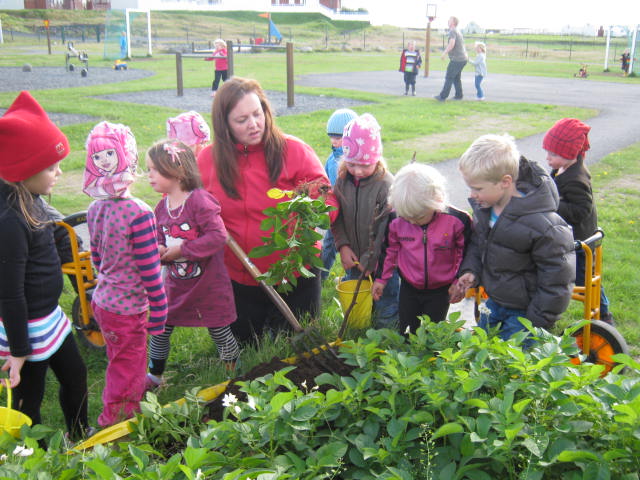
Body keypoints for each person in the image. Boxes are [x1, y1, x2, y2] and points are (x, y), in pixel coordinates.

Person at [196, 77, 337, 344]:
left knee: (298, 351)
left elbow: (327, 200)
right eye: (242, 120)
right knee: (246, 351)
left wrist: (313, 209)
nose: (254, 124)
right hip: (239, 276)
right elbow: (192, 209)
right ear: (224, 124)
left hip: (294, 273)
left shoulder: (293, 151)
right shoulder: (208, 160)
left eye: (257, 114)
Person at [0, 91, 91, 441]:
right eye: (51, 167)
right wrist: (18, 352)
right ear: (23, 170)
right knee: (28, 399)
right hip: (25, 327)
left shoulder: (31, 199)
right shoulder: (9, 223)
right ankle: (31, 457)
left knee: (76, 376)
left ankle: (79, 434)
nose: (59, 172)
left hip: (50, 319)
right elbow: (9, 294)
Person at [84, 121, 167, 427]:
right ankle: (116, 422)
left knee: (121, 357)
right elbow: (149, 270)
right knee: (127, 366)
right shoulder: (140, 213)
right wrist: (159, 308)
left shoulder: (95, 209)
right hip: (129, 307)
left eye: (109, 153)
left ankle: (127, 398)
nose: (104, 160)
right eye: (98, 155)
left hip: (104, 301)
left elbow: (95, 255)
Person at [453, 134, 575, 343]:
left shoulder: (543, 224)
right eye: (470, 188)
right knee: (482, 353)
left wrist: (536, 321)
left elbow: (557, 280)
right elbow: (478, 245)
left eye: (478, 188)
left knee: (515, 368)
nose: (472, 195)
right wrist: (471, 271)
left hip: (526, 314)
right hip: (494, 303)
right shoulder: (486, 210)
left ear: (505, 182)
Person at [145, 139, 240, 389]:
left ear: (175, 171)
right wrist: (160, 249)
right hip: (176, 285)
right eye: (148, 170)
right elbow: (157, 238)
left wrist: (182, 250)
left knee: (218, 329)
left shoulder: (199, 201)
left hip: (208, 285)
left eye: (154, 169)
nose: (149, 175)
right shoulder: (161, 208)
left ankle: (235, 375)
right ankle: (154, 377)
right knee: (160, 328)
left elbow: (218, 236)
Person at [372, 163, 472, 335]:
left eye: (418, 217)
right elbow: (389, 250)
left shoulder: (458, 221)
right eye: (406, 217)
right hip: (409, 287)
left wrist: (458, 282)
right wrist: (381, 279)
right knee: (407, 328)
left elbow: (465, 254)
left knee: (432, 330)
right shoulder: (395, 220)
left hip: (440, 290)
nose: (412, 222)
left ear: (436, 202)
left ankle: (431, 357)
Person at [543, 118, 613, 324]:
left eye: (553, 154)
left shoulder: (577, 178)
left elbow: (581, 209)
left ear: (570, 154)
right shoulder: (562, 169)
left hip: (582, 242)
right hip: (571, 238)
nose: (548, 158)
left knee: (587, 282)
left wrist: (554, 203)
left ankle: (604, 317)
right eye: (547, 152)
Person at [331, 113, 399, 328]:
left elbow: (388, 231)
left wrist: (373, 258)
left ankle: (386, 344)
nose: (358, 171)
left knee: (385, 304)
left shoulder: (386, 186)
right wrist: (342, 246)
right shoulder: (343, 181)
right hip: (354, 259)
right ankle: (360, 336)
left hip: (384, 263)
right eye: (351, 164)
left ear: (377, 159)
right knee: (357, 304)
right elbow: (337, 217)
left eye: (365, 165)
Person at [321, 108, 358, 280]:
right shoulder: (331, 158)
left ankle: (349, 279)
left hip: (350, 214)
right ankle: (320, 276)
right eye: (331, 137)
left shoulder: (353, 162)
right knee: (329, 245)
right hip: (335, 212)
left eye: (338, 138)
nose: (334, 142)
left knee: (351, 247)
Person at [433, 16, 468, 102]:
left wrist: (444, 53)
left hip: (457, 59)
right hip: (463, 59)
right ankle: (459, 95)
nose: (448, 21)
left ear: (453, 22)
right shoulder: (457, 31)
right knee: (456, 78)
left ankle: (442, 96)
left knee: (449, 77)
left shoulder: (453, 31)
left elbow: (452, 44)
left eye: (449, 20)